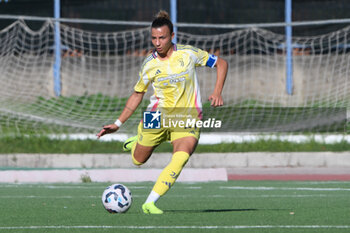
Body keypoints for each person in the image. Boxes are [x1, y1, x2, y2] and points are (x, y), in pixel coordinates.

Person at [97, 10, 228, 214]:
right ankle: (137, 139)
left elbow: (221, 63)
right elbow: (137, 94)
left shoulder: (188, 54)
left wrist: (217, 91)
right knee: (137, 160)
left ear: (172, 37)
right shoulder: (149, 64)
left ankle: (150, 202)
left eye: (162, 37)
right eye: (154, 38)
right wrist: (118, 123)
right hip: (156, 117)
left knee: (181, 157)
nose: (157, 42)